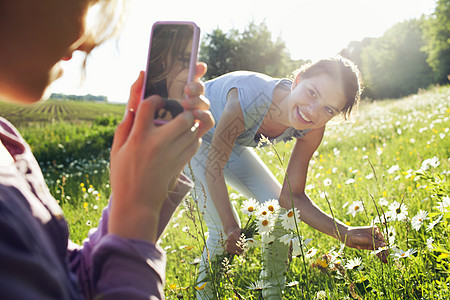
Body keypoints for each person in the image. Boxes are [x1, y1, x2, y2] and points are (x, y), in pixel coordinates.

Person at [0, 0, 214, 299]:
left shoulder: (7, 141)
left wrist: (150, 178)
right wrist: (138, 211)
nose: (88, 41)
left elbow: (70, 277)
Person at [184, 57, 388, 299]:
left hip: (229, 143)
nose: (313, 112)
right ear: (298, 80)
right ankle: (204, 296)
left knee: (279, 212)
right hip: (190, 135)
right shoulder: (248, 98)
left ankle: (271, 294)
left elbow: (292, 198)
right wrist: (230, 226)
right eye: (312, 93)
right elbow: (213, 168)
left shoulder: (313, 128)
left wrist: (344, 232)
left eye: (329, 109)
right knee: (219, 231)